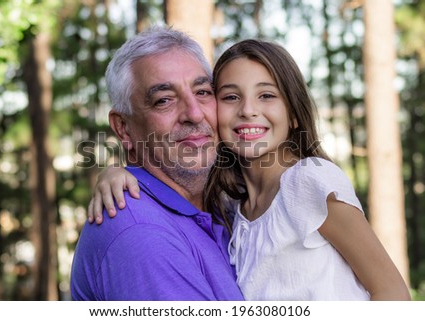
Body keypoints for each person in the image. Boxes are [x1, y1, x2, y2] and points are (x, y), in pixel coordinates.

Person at [88, 39, 411, 301]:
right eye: (230, 97)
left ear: (294, 113)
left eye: (267, 95)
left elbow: (392, 292)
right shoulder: (231, 206)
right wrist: (116, 172)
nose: (248, 110)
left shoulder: (309, 181)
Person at [70, 26, 245, 300]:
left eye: (202, 92)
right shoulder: (141, 233)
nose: (194, 113)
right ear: (124, 129)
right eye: (164, 100)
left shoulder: (231, 203)